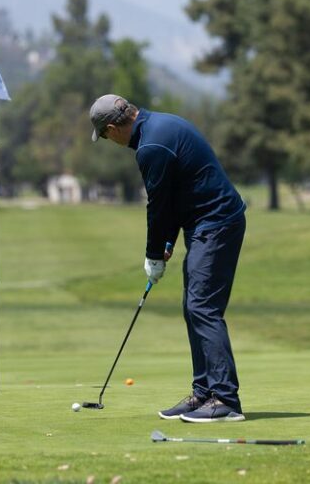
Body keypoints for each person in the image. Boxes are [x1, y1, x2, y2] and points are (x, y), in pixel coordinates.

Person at [89, 94, 247, 423]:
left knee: (203, 307)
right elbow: (174, 199)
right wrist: (166, 245)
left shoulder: (151, 147)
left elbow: (158, 207)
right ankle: (203, 392)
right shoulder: (160, 125)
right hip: (205, 222)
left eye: (104, 135)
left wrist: (153, 256)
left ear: (113, 128)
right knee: (194, 307)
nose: (108, 141)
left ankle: (225, 399)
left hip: (216, 222)